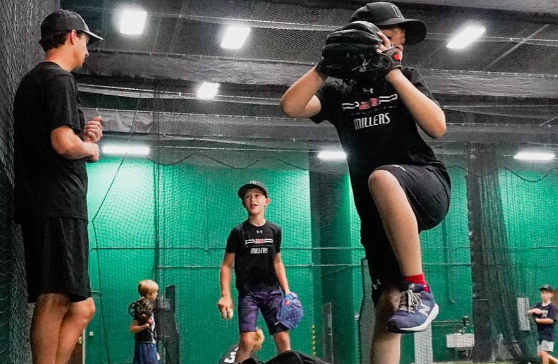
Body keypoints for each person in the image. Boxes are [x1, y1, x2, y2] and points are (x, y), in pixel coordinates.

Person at [280, 2, 450, 363]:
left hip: (425, 186)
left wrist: (392, 72)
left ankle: (419, 289)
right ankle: (405, 295)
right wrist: (325, 67)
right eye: (388, 38)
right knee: (389, 310)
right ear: (364, 40)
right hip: (378, 215)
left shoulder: (406, 76)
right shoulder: (340, 90)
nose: (397, 47)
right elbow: (291, 107)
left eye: (400, 41)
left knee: (383, 176)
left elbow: (437, 127)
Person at [13, 9, 103, 364]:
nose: (87, 50)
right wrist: (90, 148)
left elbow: (62, 137)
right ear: (71, 37)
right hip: (56, 203)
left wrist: (83, 136)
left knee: (82, 308)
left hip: (53, 202)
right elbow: (63, 144)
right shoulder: (57, 79)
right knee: (55, 298)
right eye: (85, 41)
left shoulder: (38, 82)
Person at [218, 181, 292, 363]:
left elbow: (278, 262)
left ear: (267, 201)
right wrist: (225, 295)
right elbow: (226, 265)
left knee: (282, 337)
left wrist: (287, 291)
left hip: (273, 292)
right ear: (244, 203)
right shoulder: (238, 232)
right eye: (248, 196)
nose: (252, 199)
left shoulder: (275, 230)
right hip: (248, 294)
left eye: (257, 195)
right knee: (247, 340)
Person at [130, 280, 160, 364]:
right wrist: (145, 326)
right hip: (145, 345)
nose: (157, 294)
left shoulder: (147, 309)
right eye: (155, 292)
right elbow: (132, 328)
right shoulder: (142, 310)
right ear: (149, 294)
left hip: (149, 345)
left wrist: (154, 351)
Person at [528, 285, 558, 364]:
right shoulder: (538, 305)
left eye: (546, 293)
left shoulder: (552, 307)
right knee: (540, 354)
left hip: (548, 333)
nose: (544, 294)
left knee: (544, 353)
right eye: (542, 293)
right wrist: (534, 310)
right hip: (540, 333)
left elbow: (551, 320)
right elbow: (528, 312)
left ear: (551, 294)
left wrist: (538, 320)